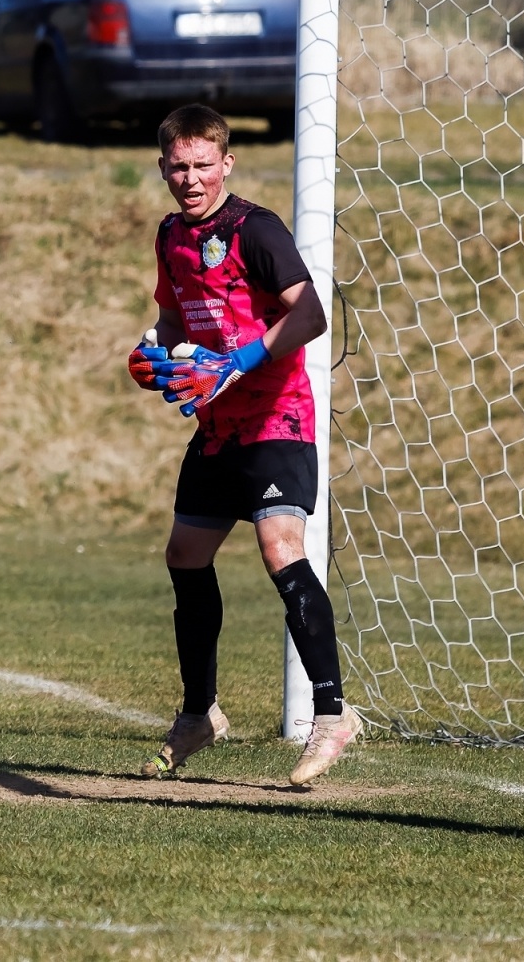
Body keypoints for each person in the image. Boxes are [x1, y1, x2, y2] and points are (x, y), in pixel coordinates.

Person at [128, 103, 361, 786]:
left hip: (276, 418)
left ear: (226, 163)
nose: (190, 178)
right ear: (164, 167)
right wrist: (155, 358)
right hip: (217, 424)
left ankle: (331, 715)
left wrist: (240, 360)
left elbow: (310, 312)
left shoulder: (255, 228)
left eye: (203, 165)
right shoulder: (172, 235)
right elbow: (173, 321)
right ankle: (199, 714)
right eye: (179, 166)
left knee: (279, 546)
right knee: (184, 555)